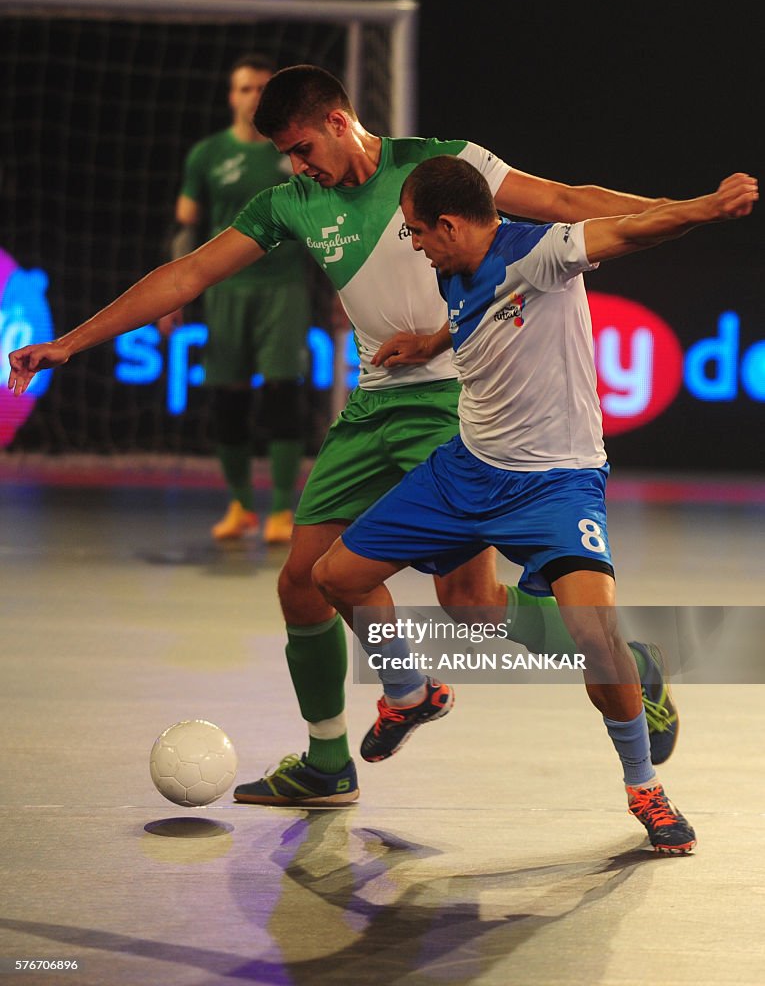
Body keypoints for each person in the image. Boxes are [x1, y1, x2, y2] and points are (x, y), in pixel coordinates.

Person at [8, 65, 685, 806]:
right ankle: (334, 754)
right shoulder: (292, 203)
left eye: (301, 148)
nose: (298, 166)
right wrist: (71, 342)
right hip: (373, 408)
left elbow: (560, 201)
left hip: (454, 405)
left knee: (472, 609)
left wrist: (685, 210)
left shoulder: (436, 166)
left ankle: (629, 661)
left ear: (338, 121)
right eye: (287, 158)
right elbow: (190, 273)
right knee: (302, 582)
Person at [311, 156, 757, 851]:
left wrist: (707, 205)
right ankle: (409, 692)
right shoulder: (450, 267)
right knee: (334, 577)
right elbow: (480, 318)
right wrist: (430, 340)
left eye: (418, 233)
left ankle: (644, 786)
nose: (415, 245)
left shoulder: (543, 251)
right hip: (465, 469)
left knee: (596, 638)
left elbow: (632, 230)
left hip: (556, 481)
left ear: (451, 225)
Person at [160, 54, 312, 544]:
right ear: (232, 96)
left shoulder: (292, 152)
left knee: (283, 393)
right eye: (245, 89)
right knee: (228, 397)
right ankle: (241, 505)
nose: (252, 97)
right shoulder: (206, 156)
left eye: (262, 89)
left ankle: (282, 510)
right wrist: (173, 294)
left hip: (283, 287)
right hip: (226, 290)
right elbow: (187, 226)